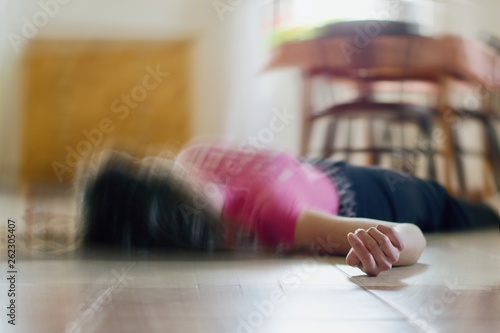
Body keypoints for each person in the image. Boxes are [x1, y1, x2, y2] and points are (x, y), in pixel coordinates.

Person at [77, 142, 500, 276]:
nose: (160, 163)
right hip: (381, 196)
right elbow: (411, 235)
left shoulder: (195, 157)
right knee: (481, 216)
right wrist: (388, 245)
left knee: (481, 212)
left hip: (339, 175)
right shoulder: (276, 216)